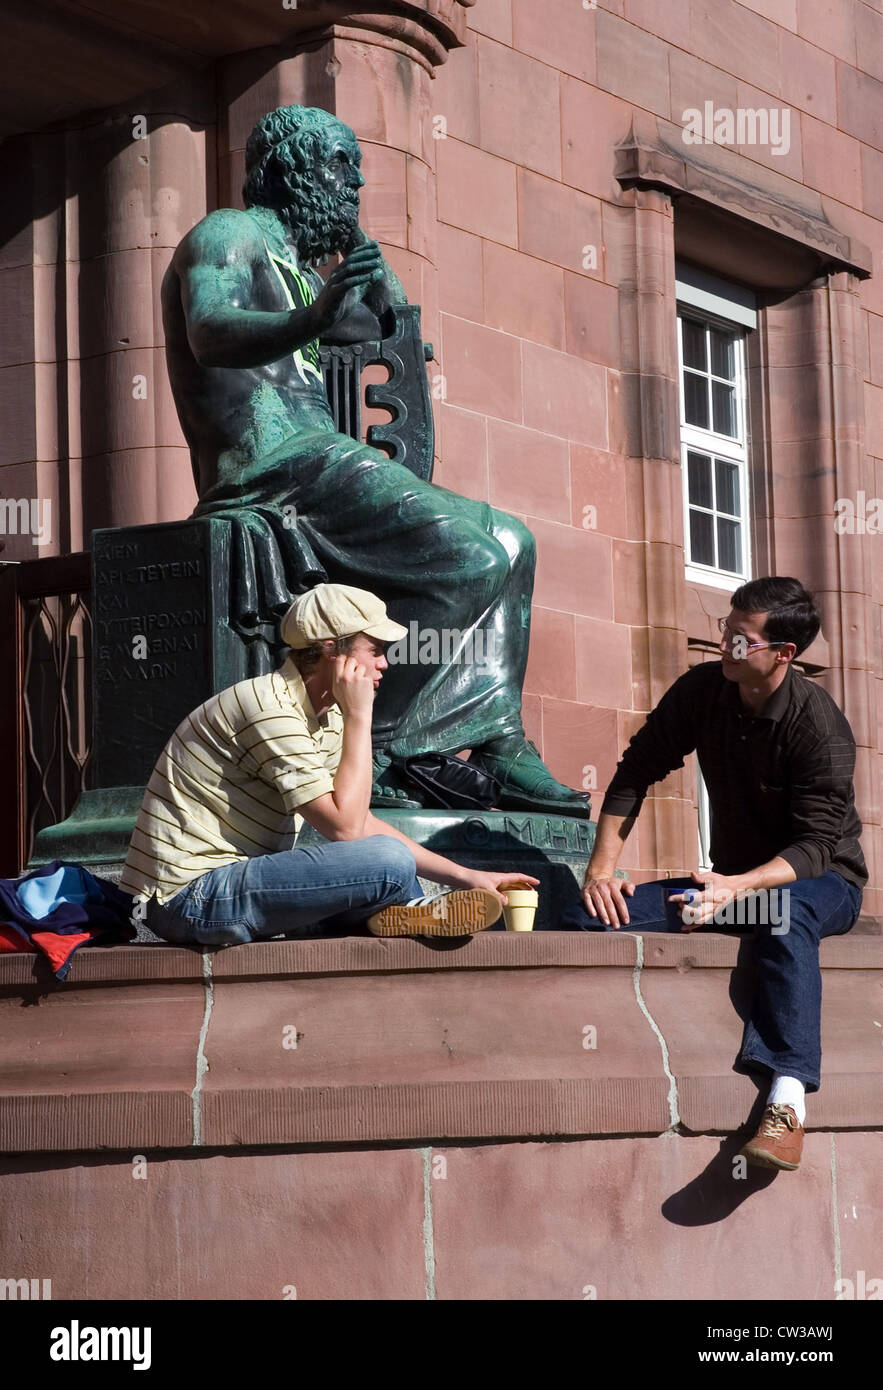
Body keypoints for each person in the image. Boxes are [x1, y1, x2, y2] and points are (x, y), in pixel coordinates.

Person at [161, 102, 589, 817]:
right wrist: (313, 317)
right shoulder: (228, 234)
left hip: (316, 457)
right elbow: (210, 332)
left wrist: (349, 241)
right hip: (267, 466)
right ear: (283, 170)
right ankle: (388, 744)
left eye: (357, 174)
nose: (352, 185)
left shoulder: (300, 267)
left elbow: (384, 316)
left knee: (514, 539)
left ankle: (494, 737)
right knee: (471, 559)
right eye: (336, 168)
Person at [552, 577, 866, 1171]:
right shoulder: (704, 690)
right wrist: (601, 873)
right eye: (726, 628)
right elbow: (635, 771)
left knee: (786, 911)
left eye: (741, 638)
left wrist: (736, 886)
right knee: (584, 915)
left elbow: (818, 847)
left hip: (823, 886)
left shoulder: (819, 727)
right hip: (729, 891)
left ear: (783, 654)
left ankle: (788, 1102)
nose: (725, 645)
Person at [121, 583, 538, 944]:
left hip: (235, 886)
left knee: (386, 866)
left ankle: (397, 910)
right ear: (331, 651)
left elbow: (363, 823)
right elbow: (346, 829)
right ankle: (396, 906)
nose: (384, 664)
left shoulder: (326, 715)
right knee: (387, 862)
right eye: (374, 650)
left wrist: (467, 876)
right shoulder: (269, 708)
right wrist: (361, 717)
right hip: (186, 899)